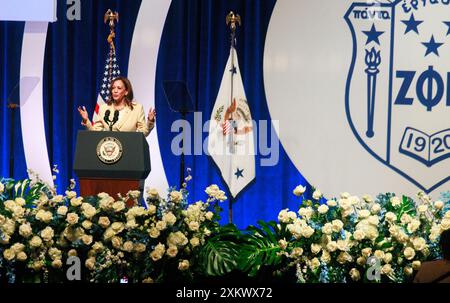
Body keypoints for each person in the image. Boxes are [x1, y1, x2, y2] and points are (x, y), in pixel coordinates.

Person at [77, 76, 156, 137]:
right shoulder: (104, 108)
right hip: (109, 151)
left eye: (119, 88)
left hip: (129, 151)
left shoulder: (137, 108)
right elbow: (96, 133)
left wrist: (150, 121)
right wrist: (86, 120)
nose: (115, 91)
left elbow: (143, 133)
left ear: (126, 92)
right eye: (113, 88)